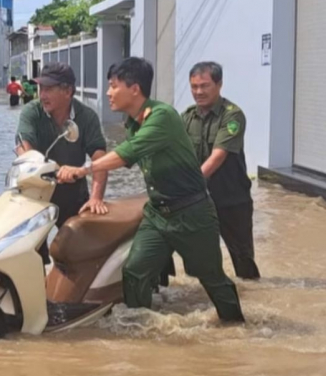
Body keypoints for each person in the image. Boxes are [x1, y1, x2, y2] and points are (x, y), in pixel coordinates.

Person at [57, 57, 245, 323]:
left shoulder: (163, 116)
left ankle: (236, 327)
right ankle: (142, 327)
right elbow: (128, 159)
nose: (108, 93)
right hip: (158, 214)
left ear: (134, 89)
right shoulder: (134, 122)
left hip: (192, 214)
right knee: (134, 271)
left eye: (113, 86)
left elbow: (126, 154)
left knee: (211, 278)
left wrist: (83, 169)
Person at [182, 62, 260, 280]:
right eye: (194, 87)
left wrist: (188, 185)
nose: (198, 92)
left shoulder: (232, 116)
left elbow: (218, 156)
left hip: (232, 201)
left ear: (219, 85)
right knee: (197, 261)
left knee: (243, 261)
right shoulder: (186, 118)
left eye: (204, 86)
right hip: (199, 202)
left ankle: (251, 297)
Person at [15, 62, 109, 229]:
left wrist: (96, 198)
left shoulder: (87, 117)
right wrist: (48, 168)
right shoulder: (31, 112)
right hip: (37, 192)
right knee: (31, 249)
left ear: (68, 91)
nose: (42, 95)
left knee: (77, 248)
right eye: (41, 88)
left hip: (73, 193)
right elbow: (24, 147)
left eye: (49, 89)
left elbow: (100, 159)